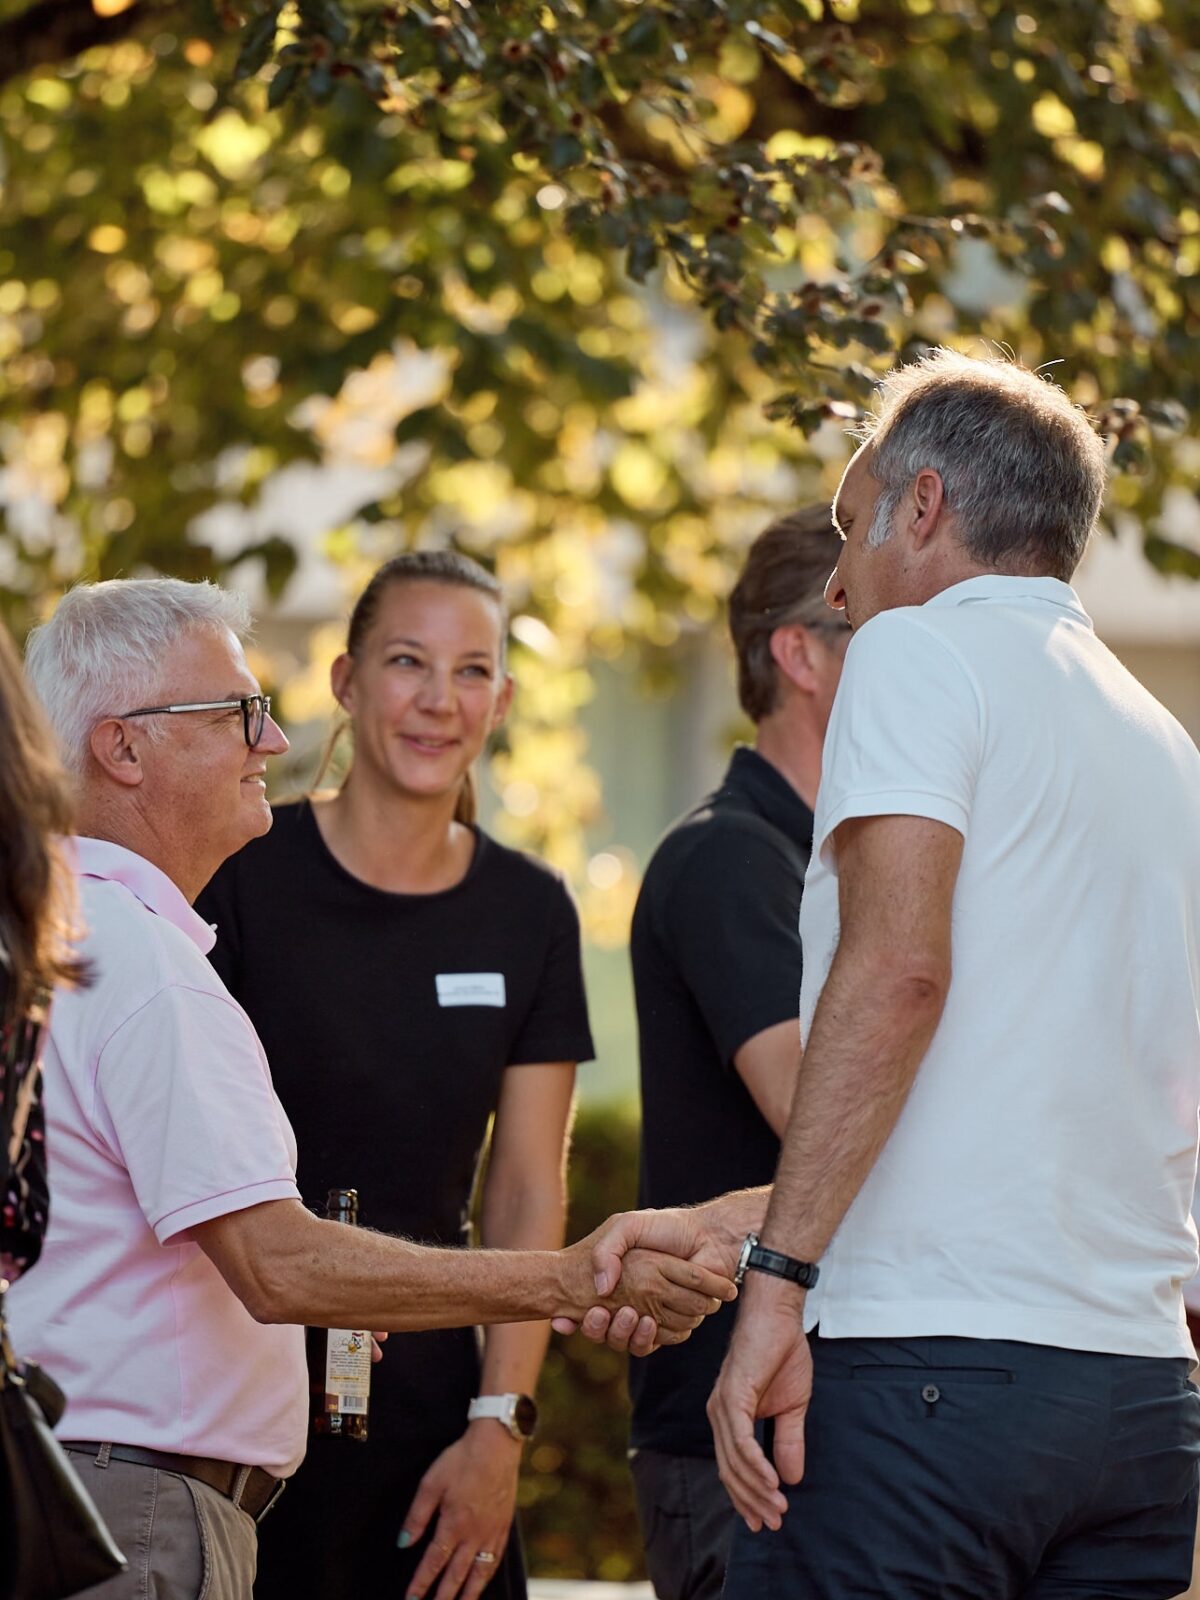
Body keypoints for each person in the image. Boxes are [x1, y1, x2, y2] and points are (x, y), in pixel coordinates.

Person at [582, 348, 1200, 1600]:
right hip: (1137, 1400)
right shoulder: (1161, 737)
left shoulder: (920, 651)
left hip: (927, 1379)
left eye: (850, 523)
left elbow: (899, 973)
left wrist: (775, 1288)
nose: (838, 576)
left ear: (924, 507)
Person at [7, 576, 736, 1600]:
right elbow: (277, 1263)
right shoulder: (142, 959)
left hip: (147, 1477)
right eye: (239, 714)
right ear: (122, 748)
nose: (269, 740)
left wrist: (478, 1394)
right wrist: (573, 1278)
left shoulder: (67, 935)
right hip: (139, 1507)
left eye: (475, 668)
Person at [195, 550, 591, 1600]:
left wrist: (498, 1427)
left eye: (471, 672)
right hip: (240, 1396)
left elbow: (523, 1192)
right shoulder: (238, 874)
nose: (438, 700)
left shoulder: (532, 910)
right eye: (408, 661)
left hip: (435, 1419)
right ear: (345, 679)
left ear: (502, 699)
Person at [627, 507, 847, 1600]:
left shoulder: (843, 860)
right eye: (885, 629)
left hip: (814, 1409)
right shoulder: (731, 860)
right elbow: (819, 1109)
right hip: (734, 1434)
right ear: (798, 653)